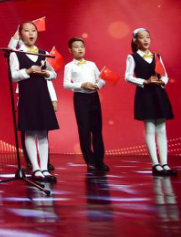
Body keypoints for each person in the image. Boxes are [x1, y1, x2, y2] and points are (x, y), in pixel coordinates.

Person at [9, 21, 59, 183]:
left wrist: (46, 74)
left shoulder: (43, 53)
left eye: (33, 30)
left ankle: (44, 168)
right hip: (27, 95)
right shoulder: (16, 53)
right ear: (20, 34)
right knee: (30, 132)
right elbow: (12, 76)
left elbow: (53, 74)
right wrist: (28, 71)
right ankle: (36, 168)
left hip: (42, 95)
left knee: (43, 133)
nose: (31, 33)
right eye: (27, 31)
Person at [125, 28, 175, 176]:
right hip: (145, 94)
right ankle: (155, 164)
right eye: (142, 37)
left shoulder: (156, 56)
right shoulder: (132, 57)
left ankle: (165, 163)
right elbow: (128, 77)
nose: (146, 40)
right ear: (136, 41)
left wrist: (162, 81)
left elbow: (164, 75)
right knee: (150, 128)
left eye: (148, 37)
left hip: (159, 94)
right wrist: (144, 81)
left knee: (162, 129)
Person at [63, 37, 108, 173]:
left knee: (97, 130)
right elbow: (66, 84)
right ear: (70, 50)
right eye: (76, 47)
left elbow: (102, 79)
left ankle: (100, 161)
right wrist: (81, 85)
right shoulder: (69, 66)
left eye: (82, 46)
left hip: (94, 97)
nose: (80, 49)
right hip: (80, 98)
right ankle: (90, 161)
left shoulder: (92, 64)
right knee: (84, 130)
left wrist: (97, 86)